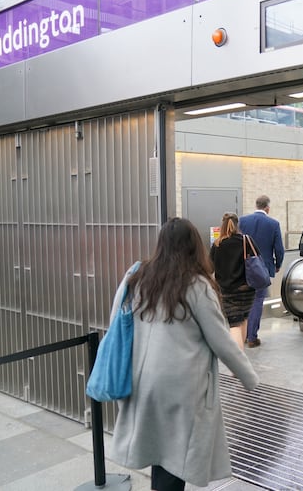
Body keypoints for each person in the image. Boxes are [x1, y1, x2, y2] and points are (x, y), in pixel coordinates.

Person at [109, 217, 259, 491]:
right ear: (194, 247)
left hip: (144, 381)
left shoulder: (138, 277)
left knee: (160, 452)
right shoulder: (196, 285)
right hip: (182, 387)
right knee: (175, 457)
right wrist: (249, 378)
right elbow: (221, 340)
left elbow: (116, 321)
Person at [239, 195, 285, 348]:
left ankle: (242, 335)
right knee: (258, 300)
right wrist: (277, 264)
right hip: (262, 269)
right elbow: (279, 248)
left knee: (244, 301)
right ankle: (252, 337)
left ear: (256, 205)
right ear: (267, 208)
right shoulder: (273, 224)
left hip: (243, 267)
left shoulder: (242, 221)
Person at [210, 212, 256, 350]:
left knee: (234, 325)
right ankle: (242, 357)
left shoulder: (218, 244)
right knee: (243, 320)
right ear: (237, 225)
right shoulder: (246, 241)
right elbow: (257, 259)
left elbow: (209, 266)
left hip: (227, 291)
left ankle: (239, 362)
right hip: (247, 289)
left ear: (222, 224)